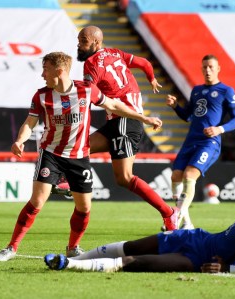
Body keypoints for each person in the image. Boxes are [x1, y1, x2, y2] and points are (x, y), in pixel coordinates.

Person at [0, 52, 163, 261]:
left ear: (59, 70)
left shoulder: (86, 90)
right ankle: (11, 247)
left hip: (79, 156)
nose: (42, 74)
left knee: (84, 207)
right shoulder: (42, 96)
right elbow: (30, 123)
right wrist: (20, 140)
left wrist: (143, 118)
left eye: (45, 69)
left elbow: (113, 105)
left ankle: (73, 247)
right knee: (37, 201)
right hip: (51, 154)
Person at [54, 25, 179, 230]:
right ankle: (65, 180)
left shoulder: (91, 63)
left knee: (124, 178)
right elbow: (145, 63)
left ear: (96, 42)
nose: (79, 43)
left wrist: (68, 92)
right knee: (80, 146)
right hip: (117, 120)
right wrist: (152, 79)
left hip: (126, 121)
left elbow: (90, 92)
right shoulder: (116, 53)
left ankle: (169, 213)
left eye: (83, 40)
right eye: (78, 39)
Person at [44, 173, 235, 274]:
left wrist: (229, 269)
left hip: (197, 260)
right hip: (196, 238)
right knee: (132, 246)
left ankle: (69, 265)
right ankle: (74, 259)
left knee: (133, 261)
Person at [165, 54, 235, 229]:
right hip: (191, 140)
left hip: (210, 141)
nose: (207, 70)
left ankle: (175, 218)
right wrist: (176, 106)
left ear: (218, 69)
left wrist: (219, 129)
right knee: (176, 176)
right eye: (205, 67)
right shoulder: (196, 90)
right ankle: (187, 222)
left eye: (211, 67)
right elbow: (187, 116)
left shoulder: (226, 91)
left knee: (189, 175)